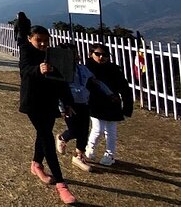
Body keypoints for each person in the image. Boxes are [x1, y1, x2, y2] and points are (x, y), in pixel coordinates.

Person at [19, 25, 77, 205]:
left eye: (46, 40)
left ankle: (36, 164)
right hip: (33, 102)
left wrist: (68, 102)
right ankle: (61, 184)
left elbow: (62, 80)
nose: (43, 44)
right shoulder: (26, 51)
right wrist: (38, 69)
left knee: (43, 133)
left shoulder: (54, 53)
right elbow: (25, 70)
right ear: (30, 38)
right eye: (39, 40)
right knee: (46, 136)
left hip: (50, 102)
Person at [55, 43, 115, 172]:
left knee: (83, 131)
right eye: (70, 54)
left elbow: (95, 82)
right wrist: (62, 107)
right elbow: (58, 91)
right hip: (70, 104)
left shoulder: (82, 69)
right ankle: (62, 137)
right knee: (74, 130)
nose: (74, 56)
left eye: (75, 53)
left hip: (84, 103)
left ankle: (79, 156)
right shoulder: (60, 71)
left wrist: (109, 93)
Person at [85, 43, 133, 166]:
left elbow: (125, 88)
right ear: (91, 54)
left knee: (111, 131)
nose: (101, 57)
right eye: (98, 54)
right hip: (94, 102)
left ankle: (109, 154)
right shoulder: (87, 69)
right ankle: (90, 148)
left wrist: (127, 107)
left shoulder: (115, 70)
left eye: (105, 55)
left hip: (112, 103)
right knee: (98, 128)